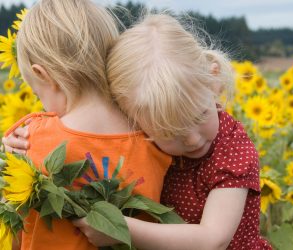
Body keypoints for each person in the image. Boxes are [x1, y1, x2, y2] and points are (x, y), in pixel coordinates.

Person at [3, 13, 272, 250]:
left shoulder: (232, 151)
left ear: (213, 82)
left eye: (199, 115)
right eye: (169, 131)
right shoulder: (142, 133)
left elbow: (213, 240)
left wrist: (120, 229)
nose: (191, 139)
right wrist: (20, 143)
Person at [4, 2, 171, 250]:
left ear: (42, 75)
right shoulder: (157, 135)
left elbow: (14, 235)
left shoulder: (28, 139)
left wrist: (9, 163)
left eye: (38, 94)